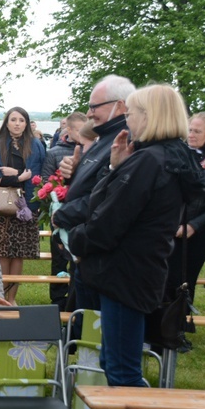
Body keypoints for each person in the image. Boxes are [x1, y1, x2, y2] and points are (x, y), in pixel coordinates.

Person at [69, 84, 204, 409]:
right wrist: (116, 166)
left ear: (150, 115)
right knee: (121, 365)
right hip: (142, 272)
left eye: (133, 112)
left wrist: (76, 240)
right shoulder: (170, 157)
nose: (128, 118)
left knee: (122, 369)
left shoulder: (149, 161)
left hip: (125, 275)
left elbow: (107, 220)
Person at [53, 75, 135, 312]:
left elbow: (110, 196)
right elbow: (92, 185)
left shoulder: (124, 140)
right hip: (88, 254)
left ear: (119, 105)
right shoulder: (104, 138)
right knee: (88, 330)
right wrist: (73, 175)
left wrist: (63, 216)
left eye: (93, 107)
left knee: (102, 333)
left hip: (105, 257)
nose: (88, 114)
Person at [0, 106, 45, 305]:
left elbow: (38, 177)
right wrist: (18, 177)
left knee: (19, 255)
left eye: (21, 120)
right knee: (1, 254)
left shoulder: (36, 145)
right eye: (13, 119)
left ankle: (13, 298)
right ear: (7, 122)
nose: (17, 123)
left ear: (26, 123)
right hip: (2, 207)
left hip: (26, 208)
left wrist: (15, 174)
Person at [164, 112, 205, 306]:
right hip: (169, 228)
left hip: (196, 235)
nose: (191, 134)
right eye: (189, 129)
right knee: (162, 281)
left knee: (184, 284)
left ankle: (176, 330)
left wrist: (193, 226)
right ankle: (158, 330)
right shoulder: (180, 154)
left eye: (197, 131)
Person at [41, 111, 87, 310]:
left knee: (79, 262)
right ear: (68, 129)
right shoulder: (54, 152)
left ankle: (74, 302)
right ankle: (58, 301)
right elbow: (45, 181)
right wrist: (57, 192)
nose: (81, 134)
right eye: (77, 130)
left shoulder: (90, 151)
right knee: (59, 258)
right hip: (59, 210)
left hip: (81, 214)